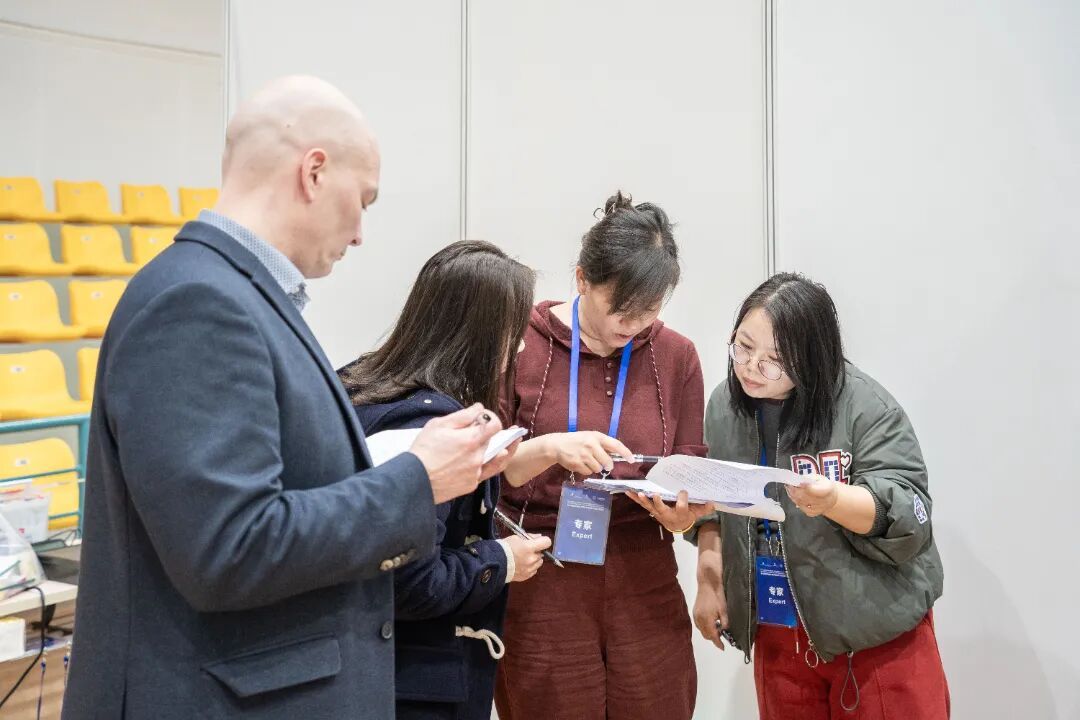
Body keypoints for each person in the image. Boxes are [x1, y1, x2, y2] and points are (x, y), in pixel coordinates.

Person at [62, 76, 511, 720]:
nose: (360, 233)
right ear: (314, 172)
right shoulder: (199, 302)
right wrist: (417, 481)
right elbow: (229, 548)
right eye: (364, 200)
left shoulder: (237, 295)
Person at [684, 273, 949, 719]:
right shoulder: (725, 407)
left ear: (812, 359)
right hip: (779, 632)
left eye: (774, 360)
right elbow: (712, 501)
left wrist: (834, 502)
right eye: (743, 347)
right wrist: (709, 578)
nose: (751, 367)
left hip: (872, 638)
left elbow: (909, 518)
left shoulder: (866, 407)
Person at [494, 192, 712, 720]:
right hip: (543, 570)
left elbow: (688, 467)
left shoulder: (676, 356)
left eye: (651, 310)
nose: (633, 324)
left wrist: (684, 515)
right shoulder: (520, 341)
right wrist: (549, 448)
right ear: (582, 280)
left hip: (644, 576)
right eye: (621, 307)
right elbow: (485, 470)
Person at [339, 240, 551, 720]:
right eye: (514, 333)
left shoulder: (358, 385)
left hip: (355, 668)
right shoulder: (432, 425)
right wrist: (501, 559)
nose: (520, 347)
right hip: (414, 684)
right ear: (482, 334)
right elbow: (411, 582)